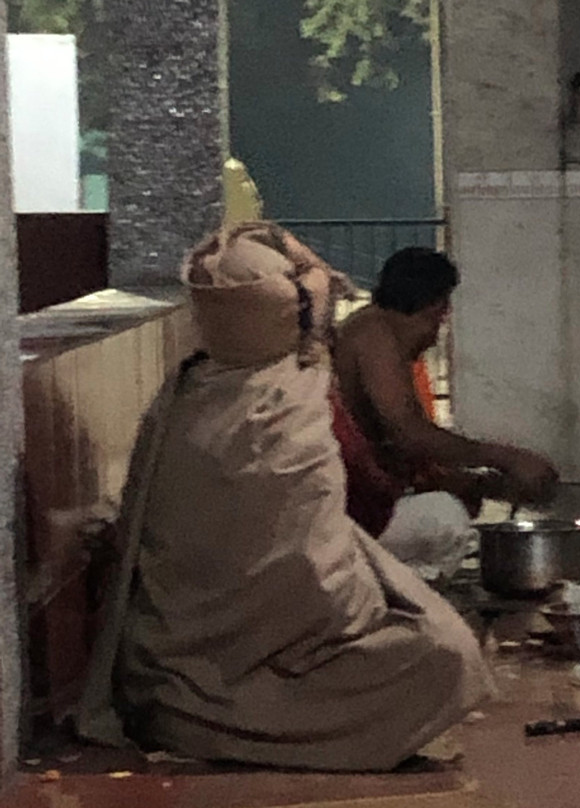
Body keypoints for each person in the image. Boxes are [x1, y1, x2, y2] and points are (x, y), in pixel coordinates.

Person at [77, 222, 493, 771]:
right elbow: (315, 585)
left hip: (166, 660)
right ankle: (264, 727)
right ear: (281, 311)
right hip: (266, 656)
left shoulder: (186, 390)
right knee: (444, 656)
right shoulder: (285, 404)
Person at [333, 247, 558, 538]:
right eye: (440, 319)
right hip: (348, 518)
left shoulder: (369, 327)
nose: (434, 339)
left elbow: (399, 450)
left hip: (351, 504)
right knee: (443, 519)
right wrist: (505, 458)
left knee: (452, 504)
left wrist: (481, 484)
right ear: (435, 309)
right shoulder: (375, 335)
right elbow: (409, 435)